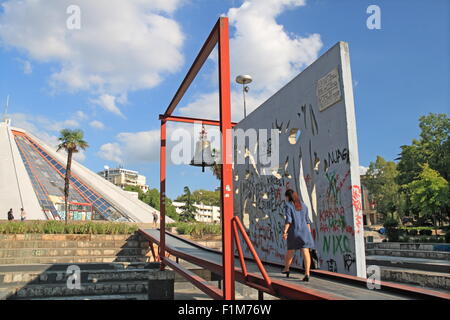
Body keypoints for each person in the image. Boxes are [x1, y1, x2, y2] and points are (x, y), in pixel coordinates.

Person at [282, 189, 315, 282]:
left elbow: (289, 220)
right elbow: (307, 221)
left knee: (290, 251)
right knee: (305, 251)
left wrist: (285, 232)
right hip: (305, 232)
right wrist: (309, 234)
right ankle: (307, 273)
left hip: (294, 231)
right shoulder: (304, 205)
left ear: (288, 197)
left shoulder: (288, 205)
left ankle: (287, 269)